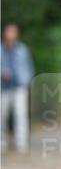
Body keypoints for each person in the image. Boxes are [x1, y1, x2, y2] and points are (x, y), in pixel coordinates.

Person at [1, 23, 34, 153]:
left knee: (20, 115)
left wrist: (27, 81)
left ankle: (21, 143)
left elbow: (29, 67)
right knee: (1, 116)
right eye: (8, 32)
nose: (10, 35)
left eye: (12, 32)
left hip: (19, 86)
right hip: (3, 88)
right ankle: (1, 142)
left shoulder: (22, 50)